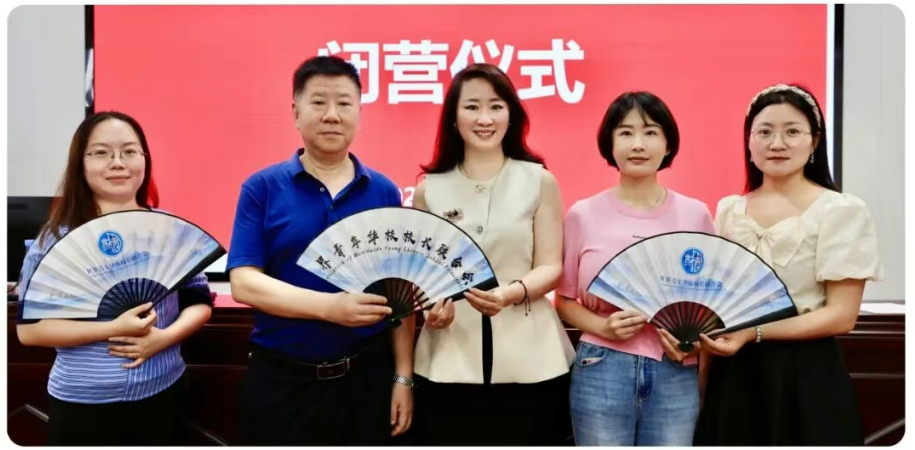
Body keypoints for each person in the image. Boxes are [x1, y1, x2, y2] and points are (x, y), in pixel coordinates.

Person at [227, 55, 414, 445]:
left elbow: (398, 294)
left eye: (344, 103)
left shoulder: (383, 191)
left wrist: (402, 377)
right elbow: (244, 283)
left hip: (365, 379)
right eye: (318, 102)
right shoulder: (261, 187)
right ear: (296, 113)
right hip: (281, 381)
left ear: (359, 113)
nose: (332, 115)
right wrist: (329, 307)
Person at [693, 83, 882, 445]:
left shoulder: (840, 210)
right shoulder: (730, 210)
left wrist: (753, 333)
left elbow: (842, 316)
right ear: (749, 142)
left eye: (792, 132)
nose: (777, 143)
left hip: (807, 372)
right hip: (735, 373)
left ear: (814, 142)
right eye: (764, 132)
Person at [16, 111, 214, 445]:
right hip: (83, 402)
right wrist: (112, 328)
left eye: (129, 151)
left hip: (164, 391)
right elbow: (30, 331)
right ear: (80, 164)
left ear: (144, 159)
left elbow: (199, 301)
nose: (117, 163)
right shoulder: (54, 241)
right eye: (101, 153)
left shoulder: (169, 229)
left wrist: (164, 338)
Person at [411, 63, 575, 446]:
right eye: (472, 107)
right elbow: (422, 274)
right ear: (453, 118)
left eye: (496, 106)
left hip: (531, 358)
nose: (484, 118)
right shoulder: (429, 190)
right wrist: (431, 309)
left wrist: (511, 292)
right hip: (448, 358)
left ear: (511, 115)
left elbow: (551, 266)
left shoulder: (539, 180)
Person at [554, 92, 715, 446]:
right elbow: (563, 301)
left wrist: (693, 342)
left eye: (650, 132)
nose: (638, 144)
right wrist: (603, 326)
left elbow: (712, 302)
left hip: (675, 367)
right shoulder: (583, 214)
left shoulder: (696, 215)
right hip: (601, 366)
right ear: (609, 143)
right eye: (625, 133)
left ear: (668, 143)